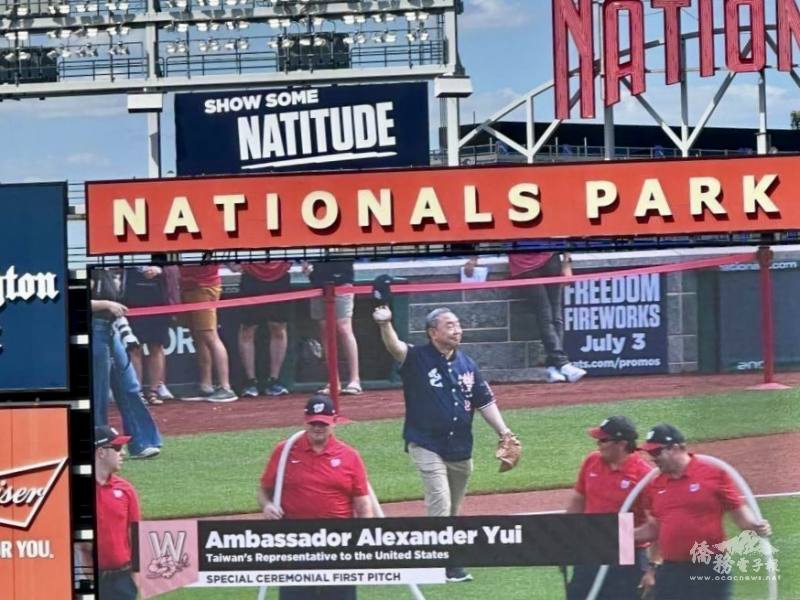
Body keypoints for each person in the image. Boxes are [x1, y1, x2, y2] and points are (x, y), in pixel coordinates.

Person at [372, 305, 515, 583]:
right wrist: (385, 324)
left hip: (460, 447)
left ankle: (435, 550)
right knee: (440, 500)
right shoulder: (417, 358)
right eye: (449, 325)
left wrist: (504, 431)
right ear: (432, 332)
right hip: (425, 443)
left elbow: (484, 402)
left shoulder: (467, 365)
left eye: (458, 325)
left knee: (453, 509)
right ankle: (446, 563)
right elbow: (395, 348)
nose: (457, 330)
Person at [635, 424, 772, 600]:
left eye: (656, 452)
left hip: (709, 568)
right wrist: (620, 535)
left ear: (675, 448)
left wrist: (755, 525)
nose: (653, 458)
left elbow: (740, 515)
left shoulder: (713, 474)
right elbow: (655, 528)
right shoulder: (655, 486)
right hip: (672, 570)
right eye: (650, 453)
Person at [258, 394, 373, 600]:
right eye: (313, 423)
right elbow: (264, 489)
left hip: (339, 538)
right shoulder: (284, 451)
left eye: (323, 423)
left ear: (334, 422)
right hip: (295, 538)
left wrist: (364, 539)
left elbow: (363, 503)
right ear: (305, 421)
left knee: (339, 596)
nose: (318, 428)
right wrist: (267, 506)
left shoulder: (349, 455)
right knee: (296, 595)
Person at [565, 416, 654, 600]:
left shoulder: (643, 476)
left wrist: (651, 568)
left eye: (603, 440)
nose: (598, 444)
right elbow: (578, 500)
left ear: (621, 444)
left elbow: (655, 526)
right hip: (590, 549)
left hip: (627, 555)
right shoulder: (592, 461)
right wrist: (566, 533)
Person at [91, 268, 162, 459]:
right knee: (98, 393)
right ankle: (100, 444)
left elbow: (118, 309)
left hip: (110, 330)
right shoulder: (87, 270)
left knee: (130, 386)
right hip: (93, 331)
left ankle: (142, 442)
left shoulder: (110, 273)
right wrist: (107, 304)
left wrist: (127, 334)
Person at [508, 250, 586, 383]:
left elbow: (563, 238)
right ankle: (562, 363)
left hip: (550, 258)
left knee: (556, 316)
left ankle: (553, 367)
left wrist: (567, 264)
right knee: (545, 314)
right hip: (524, 265)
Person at [122, 264, 180, 405]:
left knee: (157, 346)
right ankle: (137, 392)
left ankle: (154, 391)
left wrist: (159, 270)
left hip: (159, 302)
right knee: (134, 347)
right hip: (133, 301)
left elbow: (174, 266)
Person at [178, 265, 237, 402]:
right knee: (198, 336)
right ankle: (206, 386)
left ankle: (225, 387)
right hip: (188, 286)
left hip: (204, 286)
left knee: (210, 335)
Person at [95, 425, 141, 600]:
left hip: (121, 581)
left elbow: (135, 534)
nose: (123, 452)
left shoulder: (125, 489)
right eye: (117, 447)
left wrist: (136, 575)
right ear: (101, 452)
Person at [303, 260, 362, 395]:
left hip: (342, 281)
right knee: (325, 329)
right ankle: (334, 381)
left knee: (344, 327)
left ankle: (355, 380)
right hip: (318, 282)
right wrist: (306, 263)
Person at [234, 261, 292, 397]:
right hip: (251, 278)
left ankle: (274, 380)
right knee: (248, 329)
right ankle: (250, 381)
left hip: (280, 277)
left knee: (278, 327)